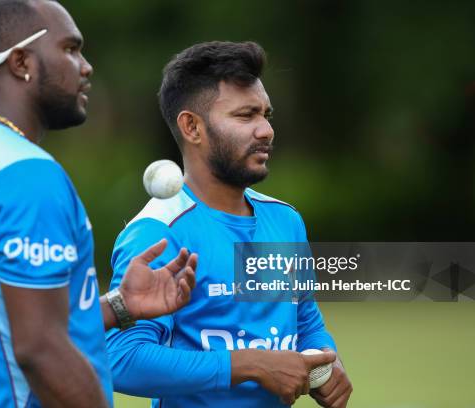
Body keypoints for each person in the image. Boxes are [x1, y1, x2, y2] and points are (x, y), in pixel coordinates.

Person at [0, 1, 197, 407]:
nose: (86, 66)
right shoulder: (25, 174)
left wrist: (119, 307)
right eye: (70, 49)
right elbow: (39, 348)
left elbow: (2, 323)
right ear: (20, 62)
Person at [105, 41, 352, 407]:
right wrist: (248, 365)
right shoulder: (159, 232)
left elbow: (306, 323)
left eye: (266, 114)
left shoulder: (285, 221)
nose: (266, 130)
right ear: (192, 127)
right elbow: (121, 360)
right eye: (245, 115)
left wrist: (324, 360)